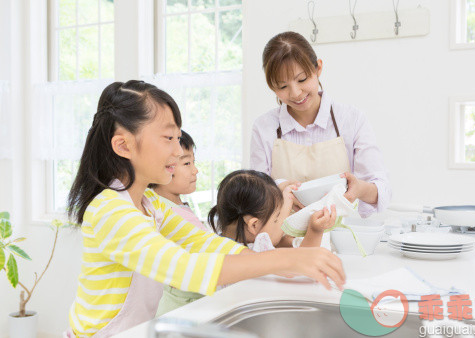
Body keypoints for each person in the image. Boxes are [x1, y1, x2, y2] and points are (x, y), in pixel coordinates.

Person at [67, 80, 346, 337]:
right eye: (168, 138)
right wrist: (287, 261)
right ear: (124, 145)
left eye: (178, 138)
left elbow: (207, 244)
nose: (178, 151)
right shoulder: (109, 211)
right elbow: (182, 267)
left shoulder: (153, 206)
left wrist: (284, 261)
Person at [250, 31, 391, 221]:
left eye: (302, 80)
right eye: (282, 87)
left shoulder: (352, 120)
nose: (296, 93)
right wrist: (277, 191)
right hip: (285, 242)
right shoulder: (263, 128)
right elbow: (255, 197)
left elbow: (381, 190)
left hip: (342, 239)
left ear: (318, 68)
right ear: (272, 87)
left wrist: (359, 189)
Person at [208, 169, 338, 250]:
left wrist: (286, 199)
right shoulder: (253, 254)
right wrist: (315, 231)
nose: (283, 223)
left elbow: (273, 239)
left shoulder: (223, 244)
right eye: (277, 219)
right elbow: (304, 267)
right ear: (254, 225)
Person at [152, 130, 207, 315]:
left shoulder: (178, 205)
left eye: (193, 162)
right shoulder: (165, 212)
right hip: (179, 308)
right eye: (186, 163)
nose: (195, 170)